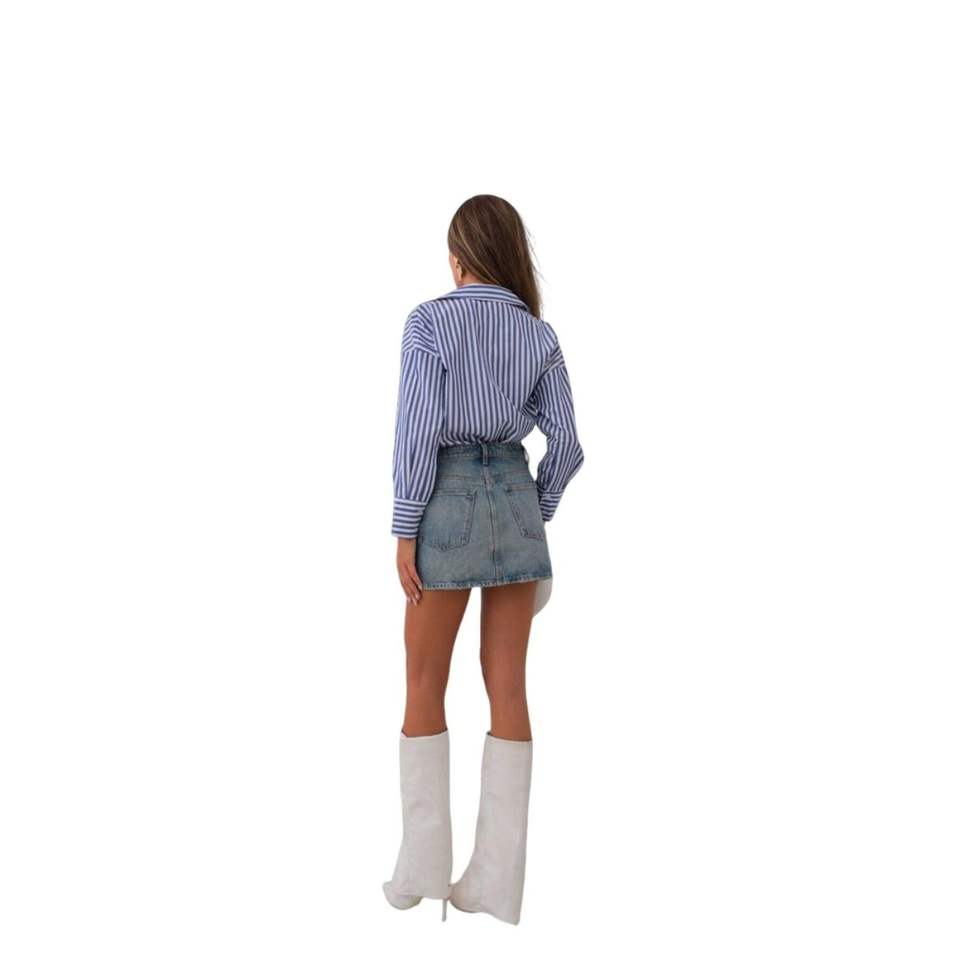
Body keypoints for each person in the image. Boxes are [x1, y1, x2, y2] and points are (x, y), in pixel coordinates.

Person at [382, 194, 585, 925]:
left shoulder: (429, 322)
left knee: (423, 678)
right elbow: (568, 446)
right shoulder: (538, 332)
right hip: (516, 499)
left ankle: (422, 869)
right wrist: (533, 509)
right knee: (508, 686)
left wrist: (405, 527)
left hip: (447, 499)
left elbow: (416, 433)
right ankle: (494, 886)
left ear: (459, 256)